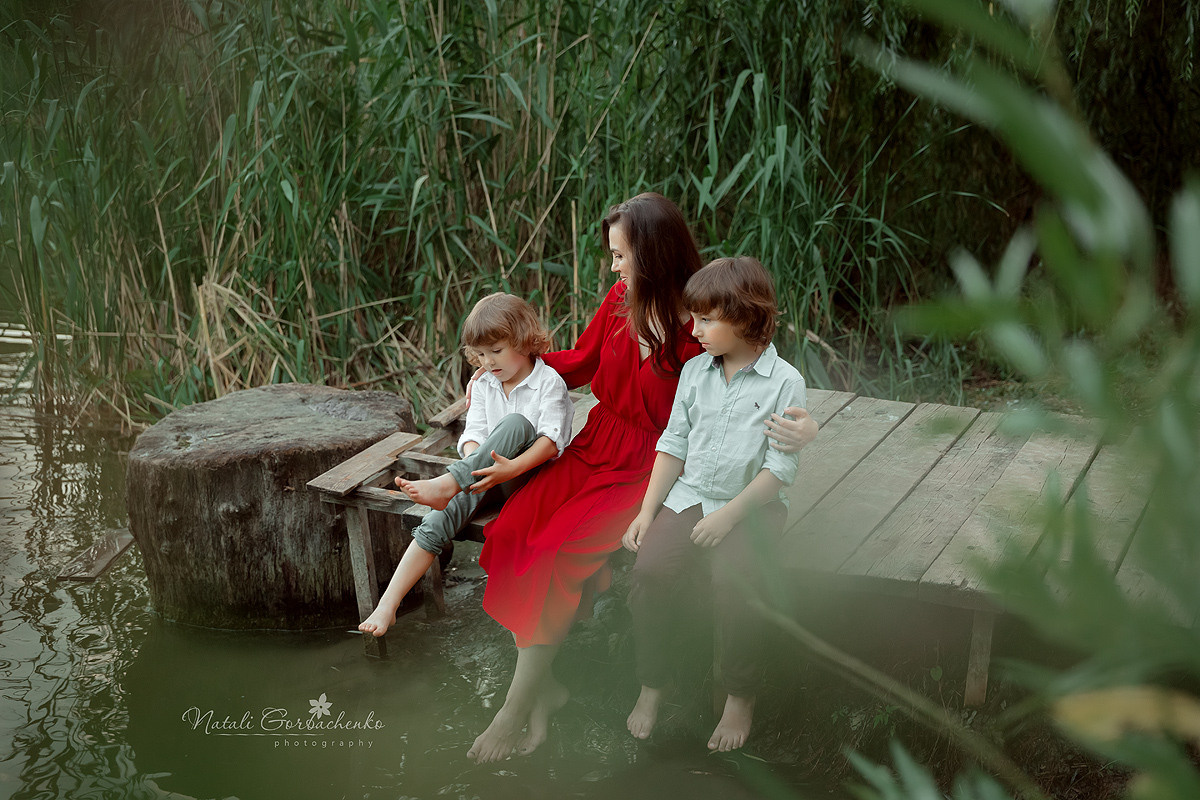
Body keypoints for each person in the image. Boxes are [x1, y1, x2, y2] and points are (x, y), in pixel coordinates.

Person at [464, 194, 819, 763]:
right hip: (596, 440)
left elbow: (755, 382)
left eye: (620, 255)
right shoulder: (620, 300)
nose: (613, 268)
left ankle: (515, 706)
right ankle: (543, 688)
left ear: (651, 255)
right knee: (511, 531)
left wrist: (807, 427)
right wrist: (506, 373)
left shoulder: (699, 330)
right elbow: (581, 360)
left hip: (645, 463)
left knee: (556, 550)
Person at [622, 255, 806, 752]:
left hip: (752, 506)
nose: (694, 329)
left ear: (745, 317)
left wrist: (727, 518)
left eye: (706, 319)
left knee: (734, 582)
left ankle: (739, 694)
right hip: (689, 496)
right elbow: (673, 445)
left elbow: (779, 470)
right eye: (694, 317)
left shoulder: (784, 381)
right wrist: (647, 512)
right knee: (649, 573)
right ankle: (653, 683)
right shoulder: (695, 372)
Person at [357, 293, 574, 637]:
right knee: (438, 520)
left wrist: (509, 469)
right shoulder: (485, 384)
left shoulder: (548, 383)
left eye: (496, 351)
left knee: (517, 424)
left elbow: (551, 442)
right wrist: (480, 465)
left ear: (523, 340)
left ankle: (448, 484)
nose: (488, 362)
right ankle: (388, 605)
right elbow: (473, 436)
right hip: (485, 477)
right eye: (481, 354)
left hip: (531, 480)